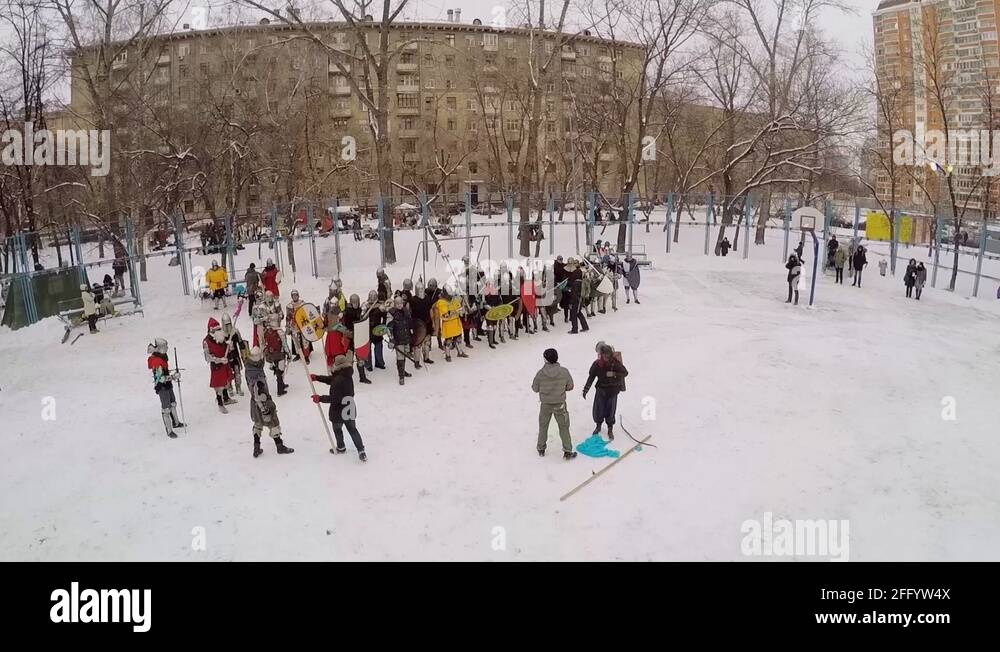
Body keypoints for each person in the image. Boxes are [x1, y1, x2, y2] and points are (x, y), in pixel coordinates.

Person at [311, 352, 368, 462]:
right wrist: (317, 378)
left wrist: (320, 398)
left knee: (337, 429)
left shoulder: (337, 380)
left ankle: (341, 447)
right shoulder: (347, 374)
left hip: (339, 409)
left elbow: (334, 398)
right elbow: (331, 380)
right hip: (350, 406)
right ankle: (361, 450)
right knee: (353, 430)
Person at [532, 348, 577, 460]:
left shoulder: (540, 373)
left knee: (543, 426)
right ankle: (567, 450)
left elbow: (535, 388)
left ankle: (541, 448)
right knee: (564, 427)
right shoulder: (564, 371)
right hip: (560, 404)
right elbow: (570, 386)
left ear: (546, 359)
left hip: (545, 405)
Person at [582, 343, 628, 441]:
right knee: (598, 410)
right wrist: (586, 389)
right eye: (605, 355)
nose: (607, 357)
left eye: (608, 355)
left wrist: (614, 374)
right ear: (601, 355)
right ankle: (598, 426)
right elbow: (591, 377)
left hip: (613, 391)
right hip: (601, 390)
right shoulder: (597, 364)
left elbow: (625, 372)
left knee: (610, 411)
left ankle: (610, 429)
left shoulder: (615, 363)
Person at [147, 338, 184, 439]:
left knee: (173, 404)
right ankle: (169, 430)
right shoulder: (156, 360)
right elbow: (161, 378)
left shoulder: (162, 357)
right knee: (166, 409)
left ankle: (176, 422)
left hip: (167, 384)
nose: (167, 348)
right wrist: (173, 377)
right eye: (165, 346)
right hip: (162, 386)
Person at [250, 379, 294, 458]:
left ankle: (256, 448)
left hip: (255, 405)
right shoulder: (259, 382)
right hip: (263, 405)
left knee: (257, 426)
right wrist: (264, 410)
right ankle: (279, 447)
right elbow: (259, 397)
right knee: (274, 426)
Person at [203, 317, 236, 413]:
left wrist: (230, 345)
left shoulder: (221, 338)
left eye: (219, 329)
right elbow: (208, 358)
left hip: (225, 363)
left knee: (226, 382)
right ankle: (220, 403)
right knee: (219, 386)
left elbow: (228, 348)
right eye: (217, 330)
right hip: (217, 366)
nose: (219, 331)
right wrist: (220, 360)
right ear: (212, 330)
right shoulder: (206, 342)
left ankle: (226, 398)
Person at [342, 293, 373, 383]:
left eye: (357, 302)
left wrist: (363, 315)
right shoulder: (347, 312)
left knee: (360, 358)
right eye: (354, 303)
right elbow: (345, 325)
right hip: (350, 338)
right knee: (349, 360)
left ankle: (362, 377)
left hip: (359, 337)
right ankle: (347, 378)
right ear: (351, 303)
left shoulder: (360, 311)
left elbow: (362, 322)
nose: (356, 304)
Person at [433, 288, 468, 362]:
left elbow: (460, 309)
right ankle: (447, 355)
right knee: (448, 341)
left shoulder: (454, 300)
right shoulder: (441, 302)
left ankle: (460, 352)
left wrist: (462, 308)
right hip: (448, 324)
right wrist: (453, 312)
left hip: (456, 321)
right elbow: (445, 315)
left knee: (458, 338)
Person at [386, 295, 415, 384]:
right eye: (397, 304)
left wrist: (411, 329)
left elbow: (409, 321)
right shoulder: (391, 313)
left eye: (401, 303)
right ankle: (401, 376)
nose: (399, 305)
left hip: (406, 337)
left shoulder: (405, 311)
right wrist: (391, 338)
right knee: (400, 357)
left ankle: (403, 371)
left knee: (404, 354)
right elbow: (389, 327)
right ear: (395, 304)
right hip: (398, 338)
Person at [262, 315, 290, 396]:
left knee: (277, 370)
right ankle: (280, 390)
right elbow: (285, 345)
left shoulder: (266, 331)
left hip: (271, 355)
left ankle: (282, 385)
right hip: (280, 354)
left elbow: (264, 344)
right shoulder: (280, 332)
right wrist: (289, 353)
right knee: (279, 372)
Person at [220, 312, 247, 397]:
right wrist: (225, 343)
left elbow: (241, 343)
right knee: (228, 374)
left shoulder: (235, 331)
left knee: (237, 373)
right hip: (226, 357)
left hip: (235, 355)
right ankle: (230, 388)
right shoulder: (220, 334)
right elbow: (219, 347)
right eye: (226, 324)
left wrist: (244, 354)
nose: (227, 326)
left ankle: (238, 387)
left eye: (229, 324)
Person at [285, 289, 313, 363]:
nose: (294, 297)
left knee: (305, 340)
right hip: (294, 325)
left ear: (298, 295)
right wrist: (287, 327)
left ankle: (306, 355)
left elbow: (308, 313)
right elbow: (287, 317)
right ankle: (298, 354)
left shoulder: (303, 303)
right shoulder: (289, 306)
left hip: (303, 324)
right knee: (296, 341)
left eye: (296, 295)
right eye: (293, 295)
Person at [365, 289, 387, 371]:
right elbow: (361, 317)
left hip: (377, 330)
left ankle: (379, 363)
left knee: (378, 347)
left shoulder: (380, 307)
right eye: (371, 297)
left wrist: (383, 326)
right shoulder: (365, 306)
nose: (372, 298)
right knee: (368, 350)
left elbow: (384, 316)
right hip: (368, 330)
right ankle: (368, 365)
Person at [566, 260, 589, 334]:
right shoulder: (581, 282)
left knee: (573, 315)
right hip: (580, 300)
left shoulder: (575, 283)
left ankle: (574, 329)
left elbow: (574, 294)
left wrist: (571, 302)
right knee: (579, 313)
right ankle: (585, 327)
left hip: (575, 301)